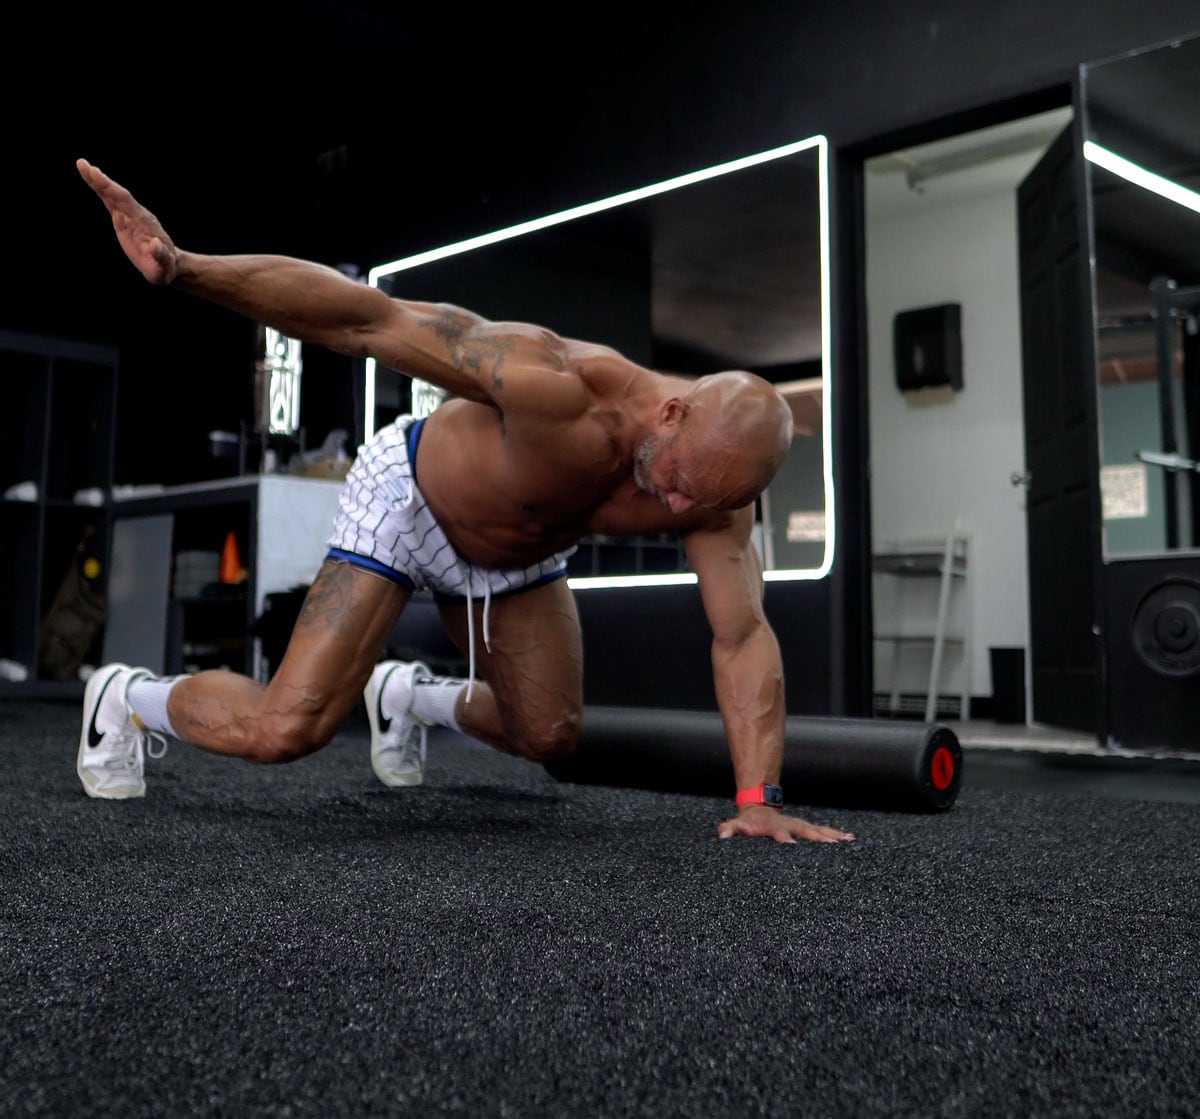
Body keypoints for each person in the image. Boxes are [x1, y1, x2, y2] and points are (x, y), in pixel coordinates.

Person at [74, 156, 855, 846]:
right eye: (680, 476)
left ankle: (407, 693)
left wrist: (759, 798)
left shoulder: (714, 495)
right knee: (287, 729)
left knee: (550, 731)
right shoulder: (557, 383)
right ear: (674, 410)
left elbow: (742, 635)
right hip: (410, 500)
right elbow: (365, 318)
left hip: (518, 552)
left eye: (701, 499)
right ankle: (129, 696)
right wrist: (186, 267)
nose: (679, 501)